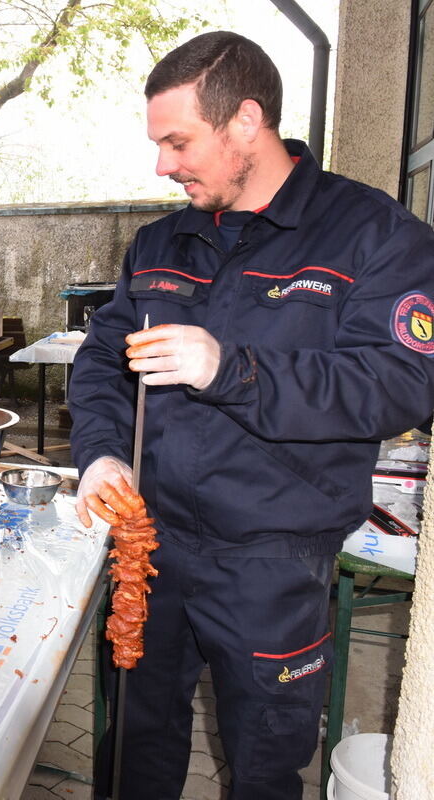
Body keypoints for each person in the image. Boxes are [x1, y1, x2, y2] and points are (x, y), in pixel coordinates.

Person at [68, 32, 434, 800]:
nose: (161, 165)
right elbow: (101, 360)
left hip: (273, 560)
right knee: (133, 742)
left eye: (177, 141)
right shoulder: (161, 241)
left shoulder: (372, 235)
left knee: (265, 764)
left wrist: (230, 369)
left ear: (244, 121)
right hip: (151, 545)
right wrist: (100, 454)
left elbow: (403, 379)